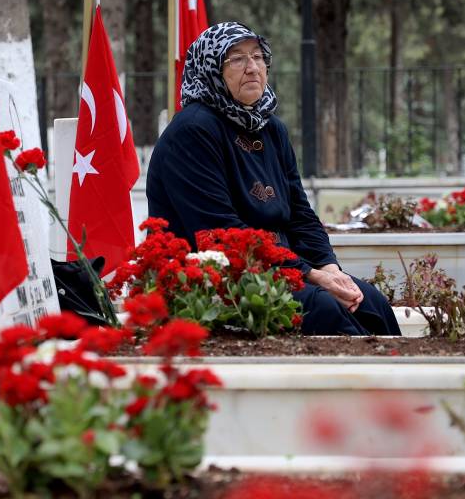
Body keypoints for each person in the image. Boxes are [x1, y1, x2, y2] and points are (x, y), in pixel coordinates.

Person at [146, 21, 400, 336]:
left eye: (257, 57)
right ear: (212, 69)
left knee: (370, 302)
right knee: (322, 308)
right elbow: (220, 231)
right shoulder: (193, 131)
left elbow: (300, 214)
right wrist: (311, 275)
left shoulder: (271, 128)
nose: (252, 68)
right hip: (219, 276)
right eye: (236, 59)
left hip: (283, 269)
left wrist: (330, 269)